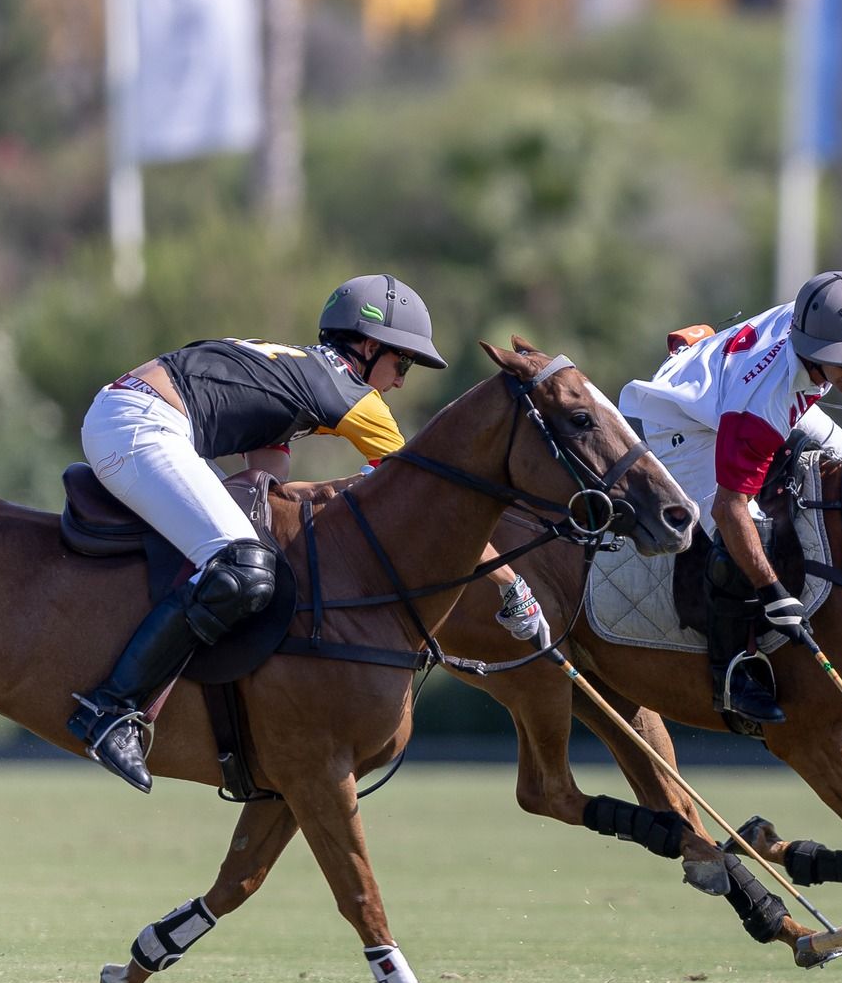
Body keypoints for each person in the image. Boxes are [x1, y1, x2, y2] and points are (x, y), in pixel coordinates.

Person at [67, 274, 549, 792]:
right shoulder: (347, 392)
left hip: (131, 414)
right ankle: (110, 709)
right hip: (140, 425)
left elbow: (267, 485)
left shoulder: (296, 375)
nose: (401, 380)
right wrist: (513, 587)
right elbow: (432, 508)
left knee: (246, 555)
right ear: (367, 347)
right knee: (243, 569)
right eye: (401, 362)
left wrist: (338, 490)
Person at [618, 271, 842, 724]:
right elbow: (729, 507)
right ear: (815, 353)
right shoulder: (761, 407)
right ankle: (732, 672)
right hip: (687, 422)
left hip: (738, 381)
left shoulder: (820, 329)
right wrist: (773, 590)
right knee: (747, 533)